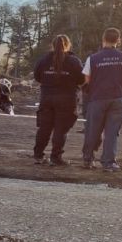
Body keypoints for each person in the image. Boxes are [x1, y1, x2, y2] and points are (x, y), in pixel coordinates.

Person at [80, 28, 122, 171]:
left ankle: (88, 160)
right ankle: (109, 162)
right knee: (112, 132)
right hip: (120, 97)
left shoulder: (93, 58)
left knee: (93, 130)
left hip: (98, 97)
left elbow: (86, 79)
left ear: (103, 39)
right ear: (118, 40)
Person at [32, 35, 84, 165]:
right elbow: (81, 79)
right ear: (68, 45)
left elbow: (37, 76)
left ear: (53, 45)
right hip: (67, 99)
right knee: (61, 129)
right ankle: (56, 157)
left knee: (44, 128)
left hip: (46, 97)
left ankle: (38, 155)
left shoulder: (43, 60)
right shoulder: (74, 61)